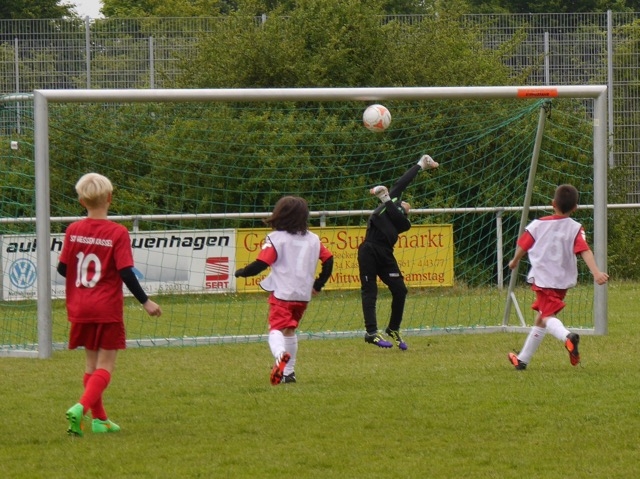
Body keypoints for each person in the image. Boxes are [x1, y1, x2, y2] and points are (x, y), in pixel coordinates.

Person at [58, 173, 162, 436]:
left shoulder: (73, 230)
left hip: (80, 307)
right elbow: (126, 271)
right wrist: (146, 301)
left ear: (82, 201)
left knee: (91, 366)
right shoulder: (117, 232)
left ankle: (100, 420)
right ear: (110, 198)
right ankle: (81, 407)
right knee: (105, 366)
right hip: (105, 307)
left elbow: (63, 269)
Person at [507, 184, 609, 370]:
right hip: (562, 282)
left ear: (553, 203)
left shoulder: (537, 225)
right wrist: (596, 272)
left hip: (543, 280)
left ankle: (567, 337)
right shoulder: (576, 228)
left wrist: (514, 261)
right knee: (541, 318)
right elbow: (584, 250)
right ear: (575, 207)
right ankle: (522, 361)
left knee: (546, 316)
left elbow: (524, 245)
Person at [235, 196, 334, 385]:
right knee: (289, 330)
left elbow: (261, 263)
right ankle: (289, 374)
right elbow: (329, 260)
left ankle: (280, 355)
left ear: (280, 214)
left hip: (283, 294)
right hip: (303, 296)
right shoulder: (313, 239)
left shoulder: (276, 238)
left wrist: (242, 272)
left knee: (276, 329)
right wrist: (318, 284)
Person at [358, 154, 439, 350]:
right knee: (370, 291)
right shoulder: (387, 207)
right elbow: (403, 182)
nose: (406, 203)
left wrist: (385, 198)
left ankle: (393, 328)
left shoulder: (403, 222)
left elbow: (397, 216)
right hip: (369, 250)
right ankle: (371, 332)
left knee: (400, 290)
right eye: (403, 202)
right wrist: (420, 164)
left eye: (406, 206)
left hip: (385, 254)